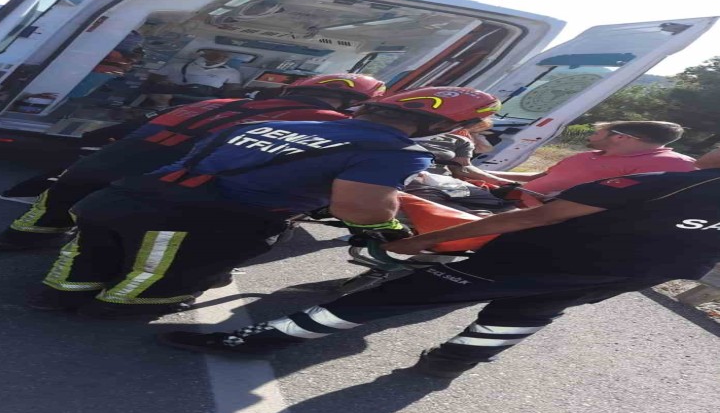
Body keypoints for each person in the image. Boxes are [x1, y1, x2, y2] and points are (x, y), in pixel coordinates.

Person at [157, 147, 720, 379]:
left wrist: (418, 243)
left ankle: (258, 340)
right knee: (529, 312)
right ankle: (450, 363)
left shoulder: (673, 181)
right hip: (624, 274)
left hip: (545, 253)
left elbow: (536, 218)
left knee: (390, 297)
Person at [31, 87, 502, 319]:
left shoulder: (274, 124)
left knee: (89, 254)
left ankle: (60, 296)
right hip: (196, 220)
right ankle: (122, 309)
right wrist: (389, 229)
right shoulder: (395, 151)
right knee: (160, 277)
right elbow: (359, 209)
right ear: (439, 128)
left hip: (122, 196)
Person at [0, 74, 387, 251]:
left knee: (65, 194)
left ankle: (17, 239)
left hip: (120, 152)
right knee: (120, 217)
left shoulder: (223, 100)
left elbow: (139, 123)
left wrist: (93, 143)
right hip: (170, 166)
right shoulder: (324, 123)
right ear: (355, 104)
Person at [487, 121, 696, 207]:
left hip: (539, 218)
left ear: (621, 137)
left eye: (597, 133)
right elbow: (540, 177)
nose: (591, 136)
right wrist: (482, 173)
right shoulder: (590, 155)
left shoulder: (673, 165)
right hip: (514, 202)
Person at [147, 49, 243, 106]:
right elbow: (153, 79)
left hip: (207, 100)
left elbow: (232, 92)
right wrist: (165, 83)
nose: (216, 59)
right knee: (161, 95)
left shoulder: (232, 72)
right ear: (203, 56)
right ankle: (161, 109)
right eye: (212, 56)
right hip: (176, 95)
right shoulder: (176, 66)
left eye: (223, 57)